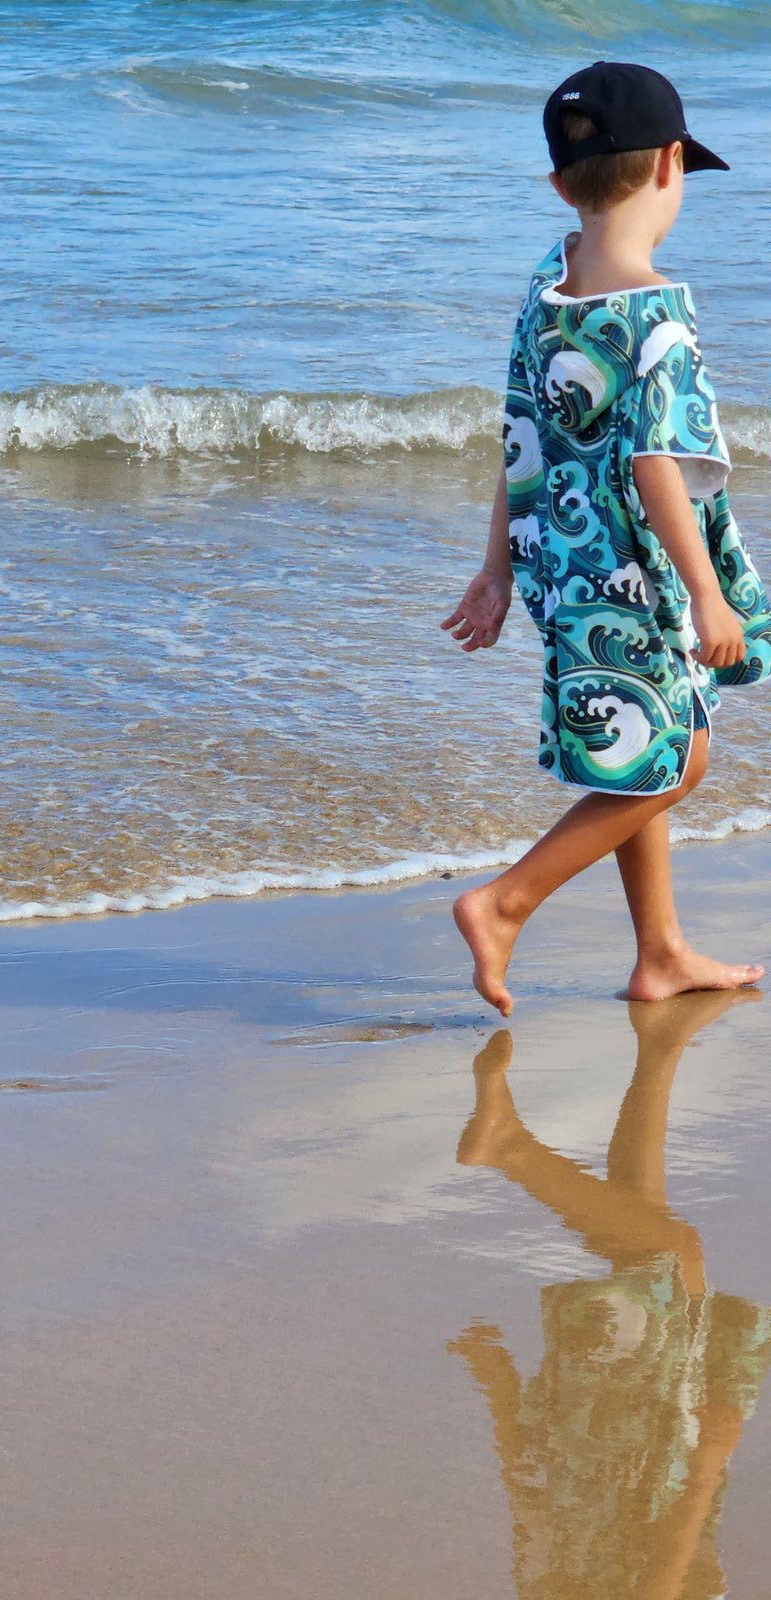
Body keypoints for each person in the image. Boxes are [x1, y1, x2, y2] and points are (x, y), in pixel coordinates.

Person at [441, 61, 771, 1017]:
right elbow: (658, 466)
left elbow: (520, 428)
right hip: (640, 575)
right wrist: (708, 594)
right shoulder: (659, 314)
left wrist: (496, 563)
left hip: (560, 561)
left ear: (561, 184)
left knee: (649, 739)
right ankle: (506, 902)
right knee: (681, 757)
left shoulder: (549, 280)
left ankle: (660, 951)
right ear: (672, 164)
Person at [449, 994, 771, 1598]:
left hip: (635, 1471)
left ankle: (509, 1149)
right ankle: (659, 1053)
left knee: (674, 1256)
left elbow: (656, 1586)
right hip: (585, 1483)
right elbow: (532, 1503)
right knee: (648, 1259)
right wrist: (500, 1388)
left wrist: (705, 1467)